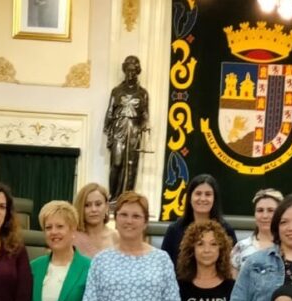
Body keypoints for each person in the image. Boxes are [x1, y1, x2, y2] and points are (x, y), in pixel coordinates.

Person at [159, 174, 238, 267]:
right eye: (198, 194)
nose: (203, 199)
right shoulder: (174, 230)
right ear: (189, 198)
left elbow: (232, 266)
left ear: (214, 199)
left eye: (208, 194)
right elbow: (164, 266)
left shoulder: (226, 230)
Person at [105, 56, 151, 197]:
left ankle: (128, 197)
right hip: (119, 127)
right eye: (128, 70)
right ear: (124, 70)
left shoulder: (143, 93)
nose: (130, 74)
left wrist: (143, 125)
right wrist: (108, 130)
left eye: (133, 71)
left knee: (132, 165)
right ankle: (113, 196)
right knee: (117, 163)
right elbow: (110, 111)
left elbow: (145, 115)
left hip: (134, 129)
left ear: (137, 71)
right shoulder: (116, 91)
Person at [230, 188, 281, 274]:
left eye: (270, 210)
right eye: (260, 210)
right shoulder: (241, 247)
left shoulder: (288, 247)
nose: (265, 215)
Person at [72, 183, 116, 258]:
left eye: (98, 204)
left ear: (106, 206)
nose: (93, 209)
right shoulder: (71, 238)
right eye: (87, 205)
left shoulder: (116, 237)